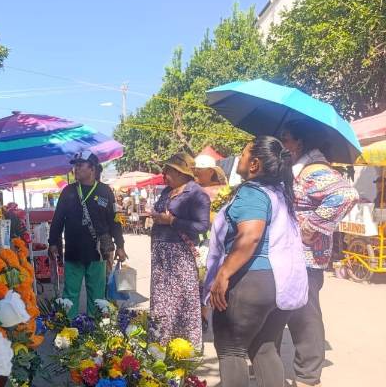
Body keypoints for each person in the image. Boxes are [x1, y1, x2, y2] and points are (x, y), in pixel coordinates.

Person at [204, 136, 309, 387]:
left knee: (231, 350)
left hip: (250, 281)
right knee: (263, 348)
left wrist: (223, 274)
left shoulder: (253, 192)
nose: (238, 159)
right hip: (280, 286)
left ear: (254, 164)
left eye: (242, 154)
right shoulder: (280, 193)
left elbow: (250, 236)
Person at [281, 119, 358, 387]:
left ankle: (308, 376)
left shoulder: (313, 169)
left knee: (305, 316)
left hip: (307, 257)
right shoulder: (299, 169)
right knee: (287, 312)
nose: (283, 144)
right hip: (294, 255)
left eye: (287, 139)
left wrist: (310, 227)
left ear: (300, 142)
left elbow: (346, 194)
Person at [48, 150, 126, 318]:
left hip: (98, 253)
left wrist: (120, 245)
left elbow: (114, 220)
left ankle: (95, 332)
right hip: (73, 252)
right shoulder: (68, 191)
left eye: (80, 165)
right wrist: (53, 242)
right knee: (70, 294)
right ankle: (68, 332)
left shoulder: (105, 191)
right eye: (75, 166)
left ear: (92, 168)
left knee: (97, 295)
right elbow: (58, 219)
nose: (75, 169)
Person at [149, 152, 210, 347]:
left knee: (182, 301)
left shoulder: (196, 193)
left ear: (180, 172)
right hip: (161, 254)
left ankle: (184, 345)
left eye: (168, 170)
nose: (164, 174)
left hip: (180, 254)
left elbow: (202, 226)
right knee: (161, 300)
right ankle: (161, 342)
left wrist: (171, 220)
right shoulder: (167, 191)